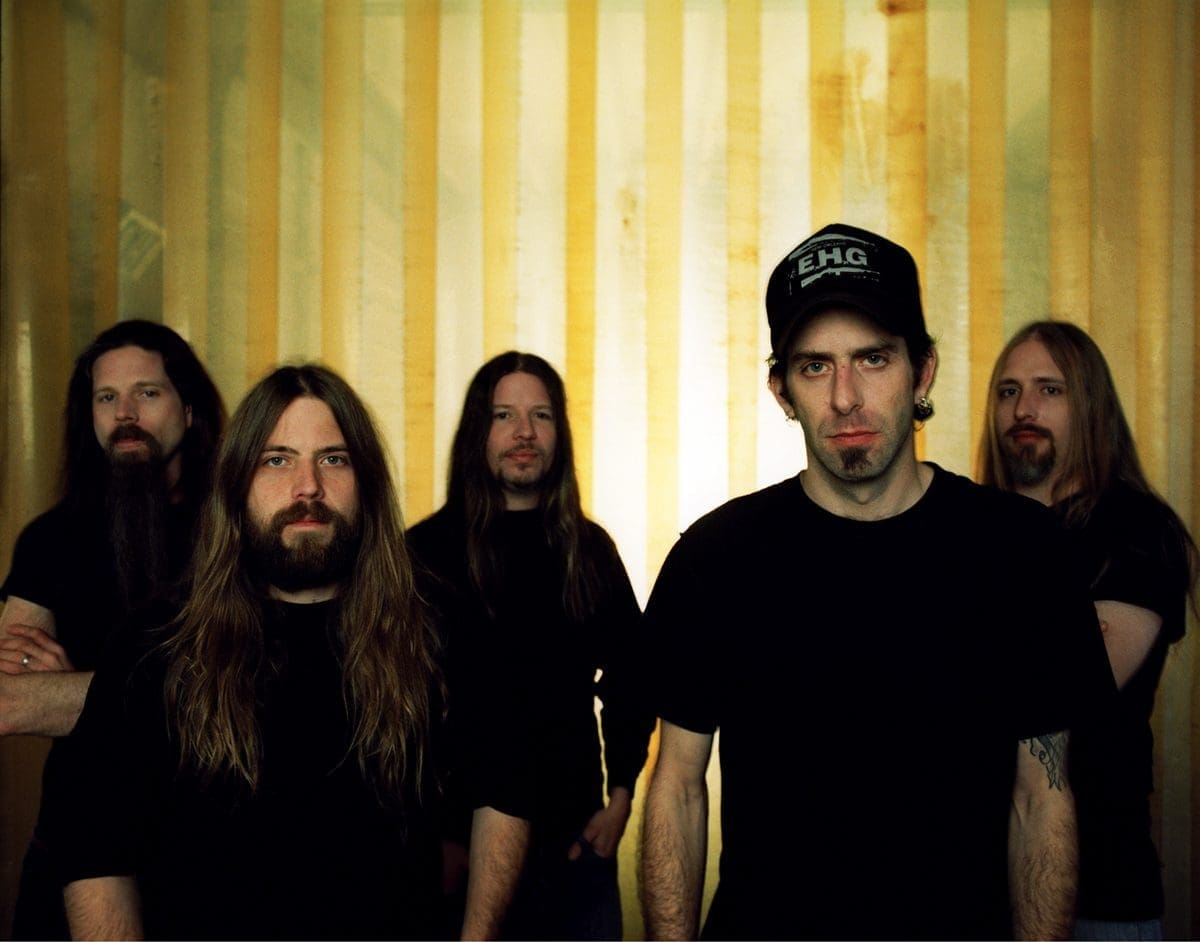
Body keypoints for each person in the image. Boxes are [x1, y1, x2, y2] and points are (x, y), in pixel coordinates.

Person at [637, 223, 1117, 940]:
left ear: (921, 372)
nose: (846, 397)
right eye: (815, 366)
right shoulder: (717, 558)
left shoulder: (1022, 554)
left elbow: (1041, 801)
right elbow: (677, 790)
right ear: (781, 390)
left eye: (873, 358)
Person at [51, 364, 525, 940]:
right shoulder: (154, 643)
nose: (308, 487)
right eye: (277, 460)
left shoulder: (441, 627)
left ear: (367, 482)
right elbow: (94, 848)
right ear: (236, 484)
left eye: (334, 459)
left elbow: (506, 787)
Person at [407, 351, 653, 940]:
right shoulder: (424, 554)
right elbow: (397, 706)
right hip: (457, 857)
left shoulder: (589, 551)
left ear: (559, 432)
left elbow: (634, 677)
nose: (524, 432)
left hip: (572, 852)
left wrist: (620, 799)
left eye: (540, 415)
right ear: (478, 430)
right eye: (504, 415)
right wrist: (431, 836)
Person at [0, 319, 225, 940]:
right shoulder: (50, 539)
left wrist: (69, 687)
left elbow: (238, 691)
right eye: (107, 397)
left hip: (206, 837)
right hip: (76, 833)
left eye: (147, 393)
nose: (125, 413)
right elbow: (8, 699)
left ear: (188, 409)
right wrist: (170, 691)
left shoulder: (235, 533)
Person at [978, 321, 1198, 940]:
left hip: (1100, 896)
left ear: (1091, 406)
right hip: (979, 894)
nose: (1023, 409)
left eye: (1049, 390)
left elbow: (1074, 684)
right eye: (1008, 391)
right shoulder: (977, 531)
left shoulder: (1138, 531)